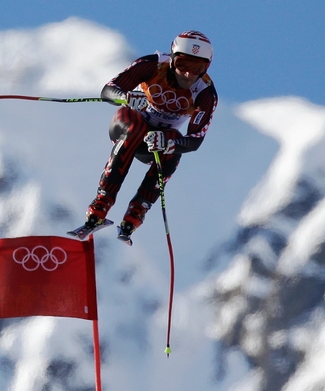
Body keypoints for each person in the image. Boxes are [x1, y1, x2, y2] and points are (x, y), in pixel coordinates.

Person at [70, 30, 218, 244]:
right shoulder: (153, 65)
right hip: (127, 127)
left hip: (154, 145)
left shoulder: (205, 93)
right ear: (173, 58)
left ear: (206, 68)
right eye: (183, 64)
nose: (188, 74)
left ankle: (136, 214)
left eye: (197, 68)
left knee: (173, 142)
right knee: (136, 124)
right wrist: (125, 97)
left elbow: (195, 140)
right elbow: (108, 90)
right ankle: (101, 202)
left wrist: (170, 143)